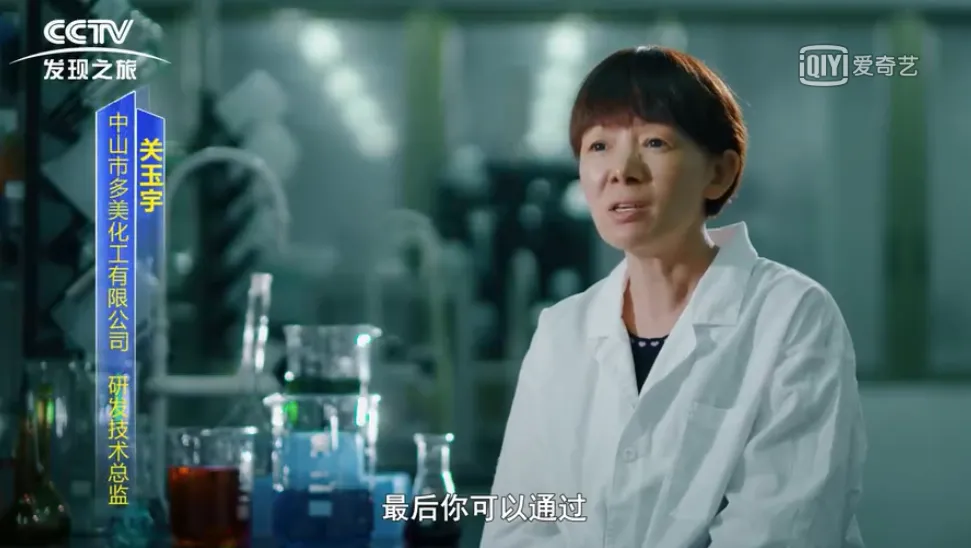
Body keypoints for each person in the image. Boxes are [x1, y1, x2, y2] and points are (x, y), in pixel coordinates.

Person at [480, 46, 866, 548]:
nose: (622, 170)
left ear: (719, 172)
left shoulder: (792, 316)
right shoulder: (562, 330)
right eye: (599, 146)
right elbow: (517, 524)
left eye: (654, 142)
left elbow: (782, 533)